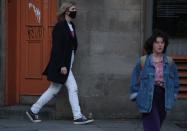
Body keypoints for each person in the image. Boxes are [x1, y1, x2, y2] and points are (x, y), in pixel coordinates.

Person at [26, 1, 94, 125]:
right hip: (62, 63)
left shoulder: (71, 25)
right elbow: (57, 48)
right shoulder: (59, 26)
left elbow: (72, 45)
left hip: (68, 61)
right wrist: (62, 65)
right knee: (72, 88)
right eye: (73, 9)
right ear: (66, 11)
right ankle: (77, 116)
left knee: (53, 89)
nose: (75, 11)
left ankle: (33, 110)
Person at [129, 30, 179, 131]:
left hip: (164, 98)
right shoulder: (143, 61)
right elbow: (134, 77)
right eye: (157, 42)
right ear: (152, 44)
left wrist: (173, 94)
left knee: (156, 125)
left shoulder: (169, 62)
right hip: (148, 96)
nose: (160, 45)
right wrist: (135, 93)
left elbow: (175, 80)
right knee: (153, 128)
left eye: (162, 42)